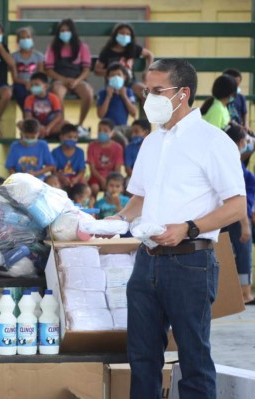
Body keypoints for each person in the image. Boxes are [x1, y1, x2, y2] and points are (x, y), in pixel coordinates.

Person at [111, 58, 246, 399]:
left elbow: (236, 206)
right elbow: (138, 200)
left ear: (183, 93)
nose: (148, 98)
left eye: (158, 91)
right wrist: (114, 221)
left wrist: (188, 228)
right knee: (141, 358)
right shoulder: (153, 141)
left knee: (193, 358)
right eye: (146, 90)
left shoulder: (213, 142)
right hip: (147, 261)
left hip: (190, 261)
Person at [222, 123, 255, 303]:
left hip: (224, 213)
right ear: (241, 142)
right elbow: (237, 195)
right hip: (236, 214)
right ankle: (245, 293)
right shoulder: (233, 164)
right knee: (243, 251)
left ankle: (241, 292)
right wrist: (245, 225)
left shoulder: (227, 157)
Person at [44, 19, 93, 136]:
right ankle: (63, 124)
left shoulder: (82, 47)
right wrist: (64, 80)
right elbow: (49, 70)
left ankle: (80, 124)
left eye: (67, 30)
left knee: (88, 93)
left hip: (77, 79)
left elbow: (86, 70)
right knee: (57, 92)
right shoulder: (52, 48)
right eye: (62, 30)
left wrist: (76, 81)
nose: (64, 33)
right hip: (59, 79)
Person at [94, 23, 154, 104]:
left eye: (128, 34)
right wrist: (113, 73)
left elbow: (149, 55)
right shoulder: (107, 51)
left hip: (130, 83)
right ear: (115, 35)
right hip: (112, 84)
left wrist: (147, 71)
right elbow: (97, 70)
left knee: (147, 94)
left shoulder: (133, 48)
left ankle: (148, 116)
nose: (124, 36)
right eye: (121, 33)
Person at [87, 118, 124, 196]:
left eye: (105, 131)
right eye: (99, 130)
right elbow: (92, 169)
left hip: (112, 177)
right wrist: (103, 180)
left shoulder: (118, 148)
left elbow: (117, 169)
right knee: (94, 188)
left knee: (115, 188)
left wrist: (110, 181)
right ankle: (93, 205)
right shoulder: (92, 146)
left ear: (112, 133)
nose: (101, 133)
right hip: (96, 177)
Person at [11, 27, 45, 111]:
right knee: (21, 95)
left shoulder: (39, 56)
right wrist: (26, 83)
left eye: (28, 37)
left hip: (36, 84)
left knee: (39, 94)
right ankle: (27, 116)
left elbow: (40, 75)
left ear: (32, 39)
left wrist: (32, 83)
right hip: (20, 84)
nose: (25, 39)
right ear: (18, 40)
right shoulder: (14, 56)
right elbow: (15, 78)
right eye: (22, 38)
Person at [22, 72, 64, 138]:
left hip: (50, 125)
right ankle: (40, 133)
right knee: (20, 124)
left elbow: (58, 116)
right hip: (35, 125)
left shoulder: (53, 98)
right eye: (32, 85)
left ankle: (41, 134)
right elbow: (28, 117)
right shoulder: (29, 99)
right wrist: (39, 127)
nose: (34, 87)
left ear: (45, 86)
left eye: (37, 85)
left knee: (65, 124)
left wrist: (48, 127)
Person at [96, 62, 138, 127]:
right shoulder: (103, 93)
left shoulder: (128, 92)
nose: (116, 77)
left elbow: (134, 113)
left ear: (124, 77)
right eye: (112, 75)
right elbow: (100, 115)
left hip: (122, 127)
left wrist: (124, 96)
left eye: (119, 75)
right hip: (107, 129)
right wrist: (108, 97)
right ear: (107, 77)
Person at [51, 123, 86, 189]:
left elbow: (82, 170)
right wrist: (62, 178)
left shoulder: (80, 152)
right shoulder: (55, 152)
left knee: (84, 186)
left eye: (75, 137)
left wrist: (76, 179)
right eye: (69, 137)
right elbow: (53, 171)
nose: (72, 139)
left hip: (75, 178)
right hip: (60, 178)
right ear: (61, 137)